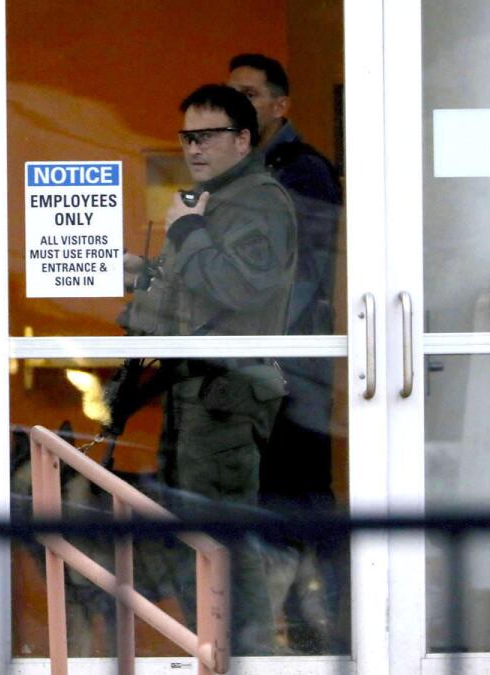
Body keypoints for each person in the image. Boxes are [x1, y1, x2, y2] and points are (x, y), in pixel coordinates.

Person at [121, 84, 297, 655]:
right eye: (186, 137)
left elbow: (240, 287)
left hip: (225, 390)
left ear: (243, 139)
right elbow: (198, 294)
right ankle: (220, 651)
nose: (194, 148)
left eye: (208, 136)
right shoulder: (214, 201)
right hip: (196, 388)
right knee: (195, 538)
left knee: (219, 540)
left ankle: (245, 657)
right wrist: (146, 276)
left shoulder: (257, 200)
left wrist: (187, 232)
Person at [228, 52, 345, 653]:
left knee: (300, 495)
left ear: (280, 105)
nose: (238, 104)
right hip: (263, 365)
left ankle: (333, 631)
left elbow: (294, 272)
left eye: (249, 93)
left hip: (294, 366)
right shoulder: (245, 169)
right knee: (273, 495)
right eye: (232, 93)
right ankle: (294, 631)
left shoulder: (303, 172)